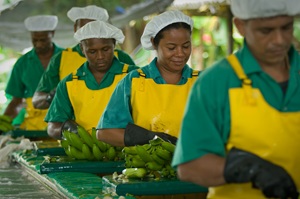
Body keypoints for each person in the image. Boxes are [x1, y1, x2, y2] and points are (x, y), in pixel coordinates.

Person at [172, 0, 300, 198]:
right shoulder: (216, 82)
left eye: (286, 27)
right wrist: (246, 168)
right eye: (266, 31)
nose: (279, 40)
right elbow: (190, 166)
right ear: (241, 26)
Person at [97, 10, 199, 147]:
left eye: (186, 46)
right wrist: (149, 138)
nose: (180, 53)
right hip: (145, 165)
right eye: (171, 48)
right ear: (154, 43)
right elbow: (105, 133)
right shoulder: (134, 81)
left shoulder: (203, 82)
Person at [45, 20, 138, 140]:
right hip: (86, 151)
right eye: (92, 51)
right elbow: (52, 127)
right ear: (82, 49)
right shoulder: (69, 83)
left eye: (105, 49)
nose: (100, 57)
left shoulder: (134, 76)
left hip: (128, 151)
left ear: (114, 45)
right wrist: (65, 128)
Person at [32, 5, 135, 110]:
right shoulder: (61, 59)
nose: (89, 32)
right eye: (84, 28)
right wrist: (54, 95)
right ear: (75, 29)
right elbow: (37, 101)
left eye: (94, 27)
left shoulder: (121, 58)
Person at [3, 15, 63, 130]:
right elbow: (16, 100)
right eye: (35, 40)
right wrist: (4, 123)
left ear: (52, 34)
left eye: (43, 40)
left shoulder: (66, 57)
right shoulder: (23, 63)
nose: (39, 44)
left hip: (62, 123)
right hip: (34, 126)